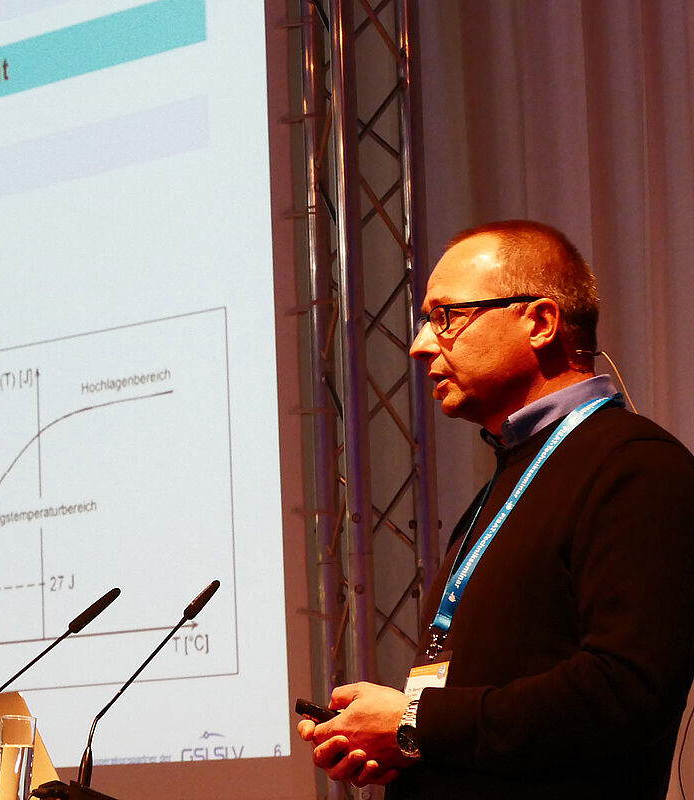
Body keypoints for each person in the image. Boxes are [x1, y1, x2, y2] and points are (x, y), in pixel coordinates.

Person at [297, 220, 694, 798]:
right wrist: (405, 749)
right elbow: (492, 711)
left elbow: (627, 691)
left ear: (539, 322)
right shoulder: (508, 475)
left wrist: (416, 724)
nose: (420, 344)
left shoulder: (636, 466)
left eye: (445, 317)